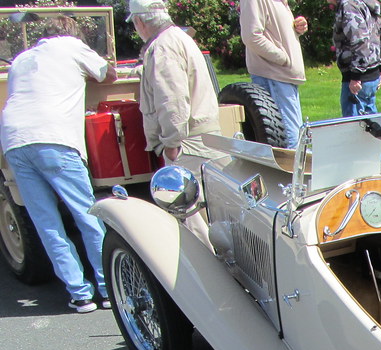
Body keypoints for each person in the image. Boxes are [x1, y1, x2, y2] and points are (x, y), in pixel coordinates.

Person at [0, 14, 117, 313]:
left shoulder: (21, 59)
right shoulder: (72, 47)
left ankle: (79, 294)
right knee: (86, 213)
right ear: (72, 33)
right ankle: (107, 287)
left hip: (14, 139)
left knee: (46, 222)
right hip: (54, 136)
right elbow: (109, 75)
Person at [128, 0, 222, 245]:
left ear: (139, 21)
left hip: (187, 143)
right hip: (197, 138)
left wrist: (171, 143)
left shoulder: (163, 47)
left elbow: (172, 99)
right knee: (207, 216)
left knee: (192, 219)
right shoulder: (176, 39)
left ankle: (206, 278)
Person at [240, 0, 308, 148]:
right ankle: (288, 172)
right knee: (290, 142)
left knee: (295, 139)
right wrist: (282, 58)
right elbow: (251, 36)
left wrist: (296, 28)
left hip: (283, 76)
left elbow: (275, 33)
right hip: (273, 76)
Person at [330, 0, 381, 117]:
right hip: (371, 77)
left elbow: (360, 41)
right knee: (372, 127)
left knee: (354, 128)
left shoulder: (349, 6)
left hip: (358, 80)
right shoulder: (365, 4)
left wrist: (356, 76)